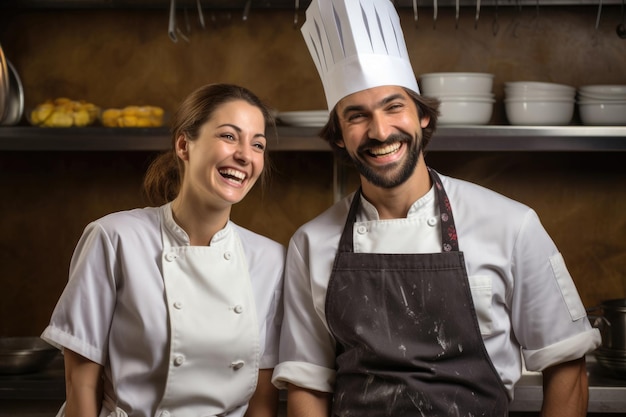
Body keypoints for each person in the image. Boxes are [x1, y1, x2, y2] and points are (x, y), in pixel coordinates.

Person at [271, 1, 601, 416]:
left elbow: (566, 363)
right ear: (339, 136)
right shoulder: (311, 243)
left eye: (394, 107)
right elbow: (307, 383)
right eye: (357, 116)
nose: (380, 131)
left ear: (422, 117)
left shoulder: (510, 224)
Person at [41, 83, 285, 417]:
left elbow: (262, 402)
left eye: (257, 144)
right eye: (229, 136)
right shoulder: (114, 238)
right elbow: (81, 385)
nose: (245, 154)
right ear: (184, 145)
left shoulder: (270, 259)